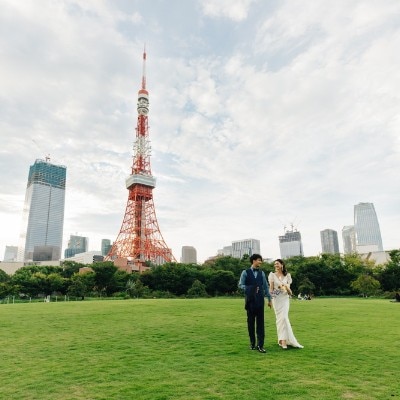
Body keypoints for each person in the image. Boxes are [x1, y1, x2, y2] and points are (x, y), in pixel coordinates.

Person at [238, 254, 272, 353]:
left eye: (261, 261)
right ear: (253, 261)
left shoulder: (262, 274)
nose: (260, 262)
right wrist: (250, 288)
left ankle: (260, 345)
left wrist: (269, 299)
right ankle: (252, 344)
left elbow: (266, 287)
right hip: (250, 301)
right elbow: (240, 285)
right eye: (259, 260)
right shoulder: (245, 272)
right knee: (251, 323)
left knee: (261, 324)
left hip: (260, 301)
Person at [268, 259, 303, 349]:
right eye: (275, 264)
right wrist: (270, 300)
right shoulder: (272, 275)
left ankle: (283, 341)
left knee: (284, 318)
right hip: (276, 299)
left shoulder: (287, 275)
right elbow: (271, 290)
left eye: (277, 263)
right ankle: (281, 340)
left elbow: (290, 293)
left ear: (282, 264)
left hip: (285, 299)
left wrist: (285, 287)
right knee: (279, 319)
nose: (276, 265)